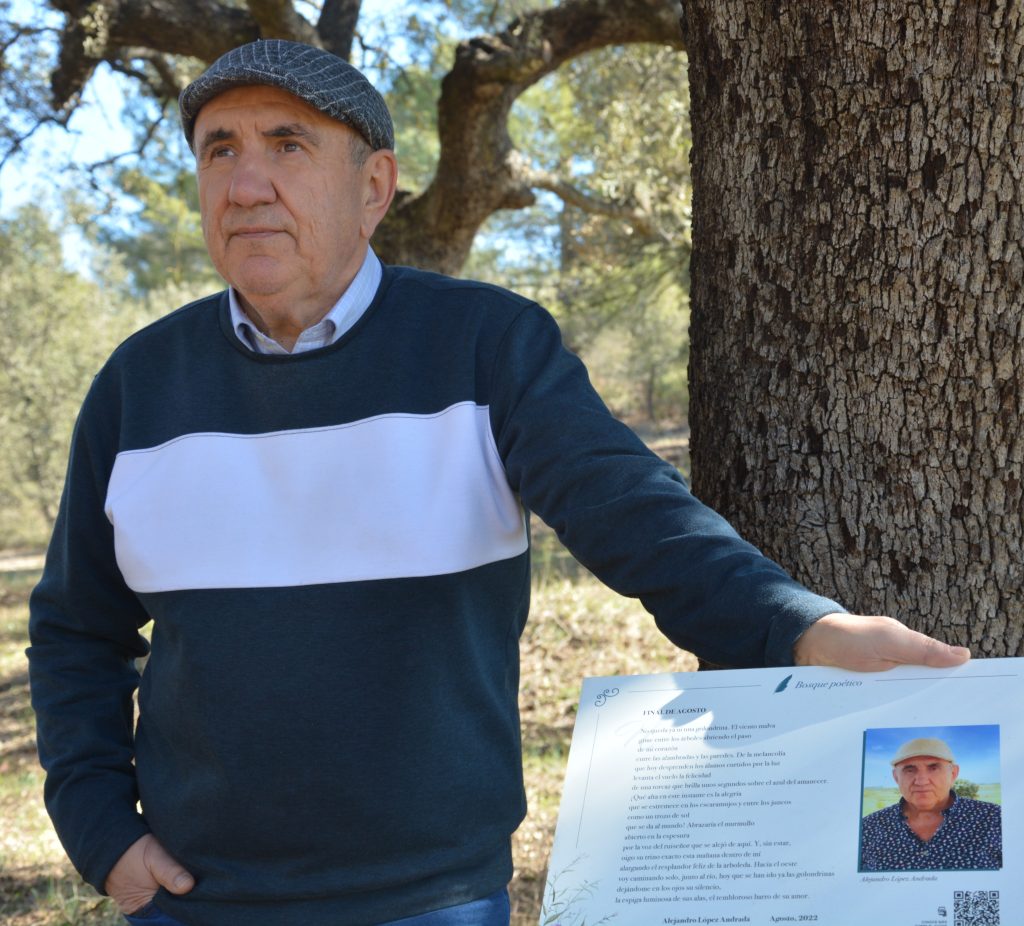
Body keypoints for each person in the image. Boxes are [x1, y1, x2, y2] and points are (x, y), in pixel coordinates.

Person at [28, 39, 970, 926]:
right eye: (219, 150)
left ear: (374, 187)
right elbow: (77, 628)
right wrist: (101, 830)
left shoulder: (484, 346)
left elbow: (629, 509)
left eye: (288, 145)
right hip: (192, 898)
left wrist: (796, 626)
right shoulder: (137, 386)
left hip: (429, 899)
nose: (246, 184)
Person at [860, 737, 1001, 872]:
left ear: (953, 773)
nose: (921, 781)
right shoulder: (868, 827)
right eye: (909, 769)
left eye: (933, 768)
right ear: (896, 777)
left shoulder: (995, 819)